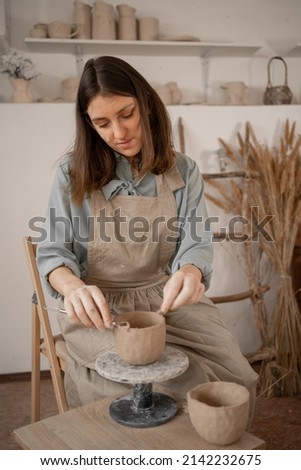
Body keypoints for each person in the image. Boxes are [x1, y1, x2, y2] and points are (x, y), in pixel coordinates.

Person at [36, 56, 258, 420]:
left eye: (127, 114)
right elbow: (53, 252)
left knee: (235, 378)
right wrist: (73, 287)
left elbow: (196, 240)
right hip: (98, 306)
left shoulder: (182, 169)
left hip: (163, 297)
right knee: (146, 386)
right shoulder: (70, 172)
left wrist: (190, 272)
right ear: (89, 124)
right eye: (102, 123)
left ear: (147, 106)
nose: (118, 133)